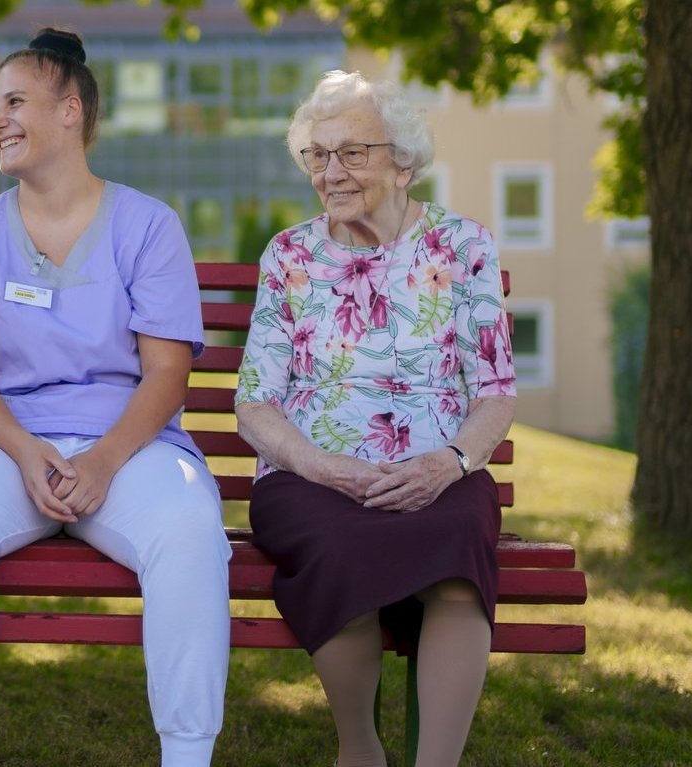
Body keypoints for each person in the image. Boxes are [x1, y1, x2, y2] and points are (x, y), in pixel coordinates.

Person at [0, 28, 233, 767]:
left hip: (130, 448)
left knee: (186, 527)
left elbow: (165, 377)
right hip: (4, 442)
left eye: (15, 101)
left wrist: (105, 462)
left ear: (71, 110)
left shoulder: (147, 226)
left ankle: (186, 755)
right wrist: (25, 452)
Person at [234, 70, 518, 767]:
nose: (330, 172)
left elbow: (495, 391)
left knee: (455, 546)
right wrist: (326, 467)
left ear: (403, 162)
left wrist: (448, 462)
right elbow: (254, 400)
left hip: (437, 465)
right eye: (317, 155)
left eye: (351, 153)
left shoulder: (463, 247)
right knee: (335, 542)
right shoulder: (290, 255)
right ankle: (358, 750)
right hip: (313, 471)